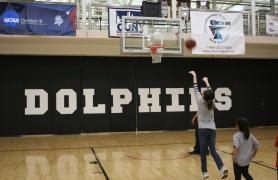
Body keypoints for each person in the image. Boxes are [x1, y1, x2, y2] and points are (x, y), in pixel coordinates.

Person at [188, 70, 228, 179]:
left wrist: (194, 75)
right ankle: (222, 168)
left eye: (204, 92)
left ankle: (205, 173)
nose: (203, 92)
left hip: (202, 130)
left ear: (204, 95)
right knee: (213, 150)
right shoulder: (212, 102)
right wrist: (206, 81)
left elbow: (195, 86)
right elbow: (210, 91)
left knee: (202, 151)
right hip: (212, 129)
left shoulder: (200, 100)